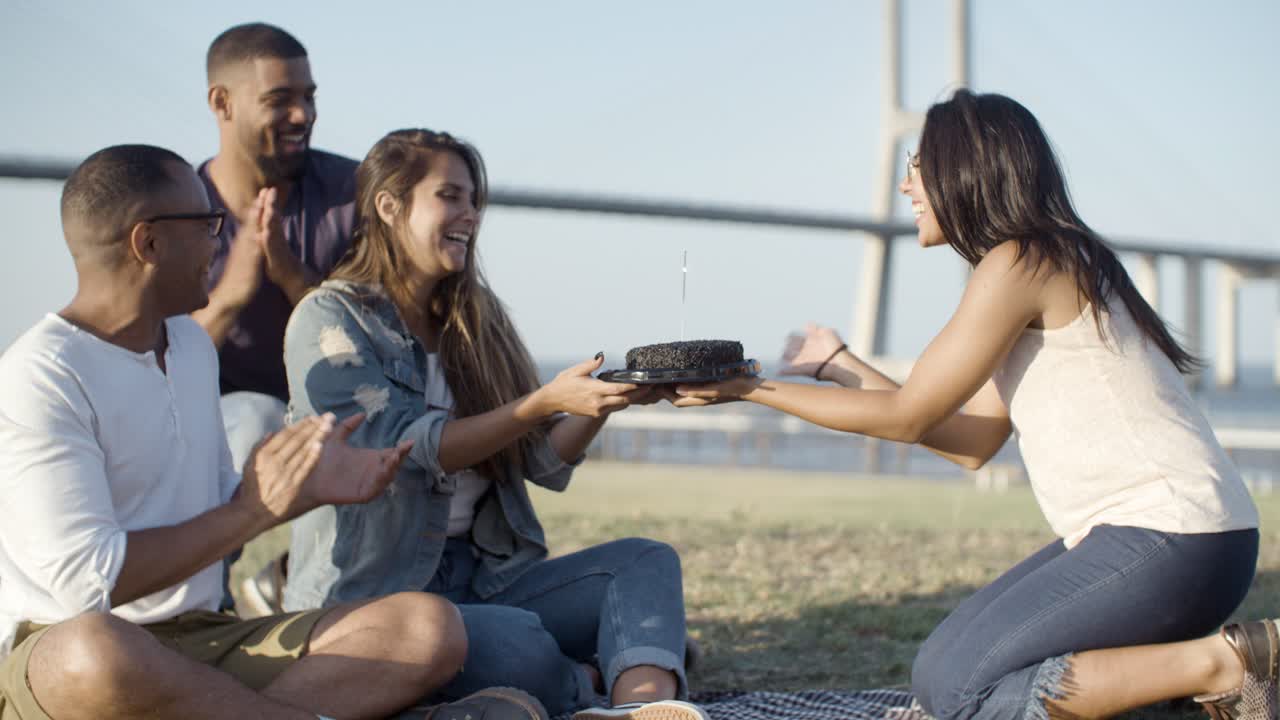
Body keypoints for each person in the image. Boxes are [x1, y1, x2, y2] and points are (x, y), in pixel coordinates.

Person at [668, 90, 1274, 720]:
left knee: (959, 690)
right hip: (1188, 540)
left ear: (966, 169)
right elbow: (970, 439)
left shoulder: (1022, 262)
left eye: (917, 165)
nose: (906, 186)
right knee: (942, 672)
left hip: (1172, 537)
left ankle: (1223, 664)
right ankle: (1200, 699)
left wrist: (749, 391)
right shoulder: (1045, 258)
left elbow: (909, 417)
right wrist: (839, 366)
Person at [0, 144, 546, 720]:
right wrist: (255, 511)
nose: (222, 241)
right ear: (148, 242)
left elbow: (212, 514)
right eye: (209, 223)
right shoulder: (42, 374)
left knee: (426, 625)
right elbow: (87, 587)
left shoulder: (186, 345)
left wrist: (299, 493)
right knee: (93, 650)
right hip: (67, 648)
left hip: (202, 636)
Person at [281, 128, 708, 720]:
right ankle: (598, 673)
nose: (470, 215)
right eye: (450, 197)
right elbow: (406, 447)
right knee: (523, 648)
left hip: (486, 579)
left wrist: (601, 406)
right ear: (389, 205)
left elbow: (542, 463)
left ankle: (640, 709)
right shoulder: (331, 319)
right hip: (381, 597)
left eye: (474, 200)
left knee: (645, 562)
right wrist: (536, 403)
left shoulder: (477, 318)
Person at [194, 22, 359, 617]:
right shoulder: (178, 208)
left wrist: (292, 278)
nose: (302, 115)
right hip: (216, 421)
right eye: (279, 100)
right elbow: (151, 363)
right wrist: (232, 296)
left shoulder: (350, 191)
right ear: (222, 103)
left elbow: (369, 345)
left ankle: (305, 593)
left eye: (309, 97)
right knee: (250, 417)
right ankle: (195, 612)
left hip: (340, 409)